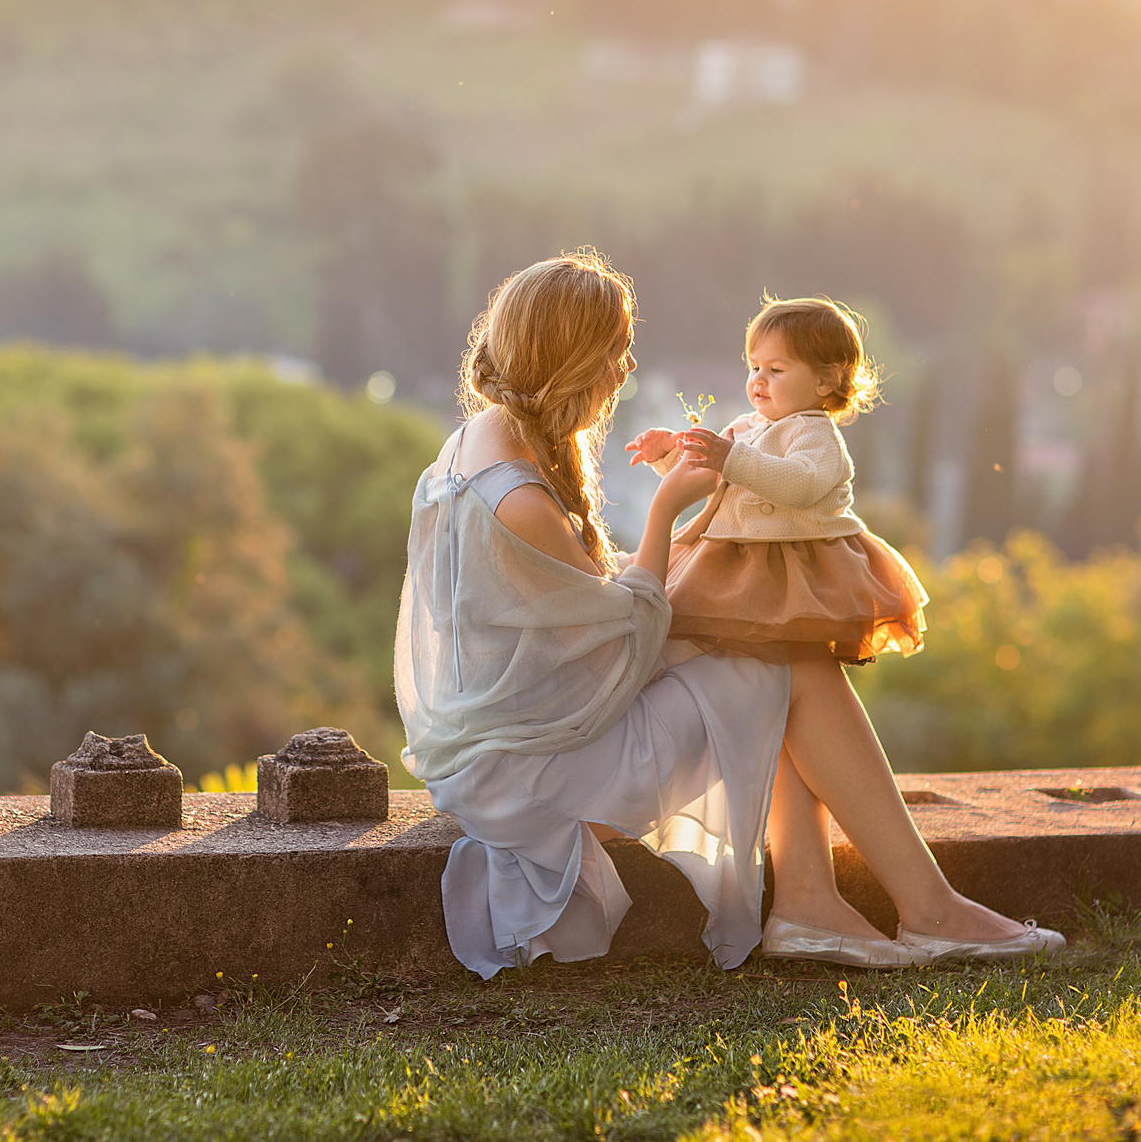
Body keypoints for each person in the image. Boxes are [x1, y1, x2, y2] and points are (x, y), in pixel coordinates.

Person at [396, 253, 1064, 977]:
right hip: (534, 768)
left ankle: (818, 903)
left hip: (528, 730)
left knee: (766, 644)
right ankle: (912, 909)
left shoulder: (478, 440)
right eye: (614, 352)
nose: (624, 369)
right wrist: (663, 512)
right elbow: (610, 657)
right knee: (786, 660)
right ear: (573, 359)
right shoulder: (518, 497)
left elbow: (567, 625)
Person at [625, 295, 926, 668]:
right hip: (736, 555)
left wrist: (731, 457)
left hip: (788, 566)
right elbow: (713, 479)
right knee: (712, 644)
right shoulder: (746, 425)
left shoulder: (816, 435)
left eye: (776, 370)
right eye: (754, 368)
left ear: (825, 381)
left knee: (780, 652)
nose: (759, 380)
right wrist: (669, 454)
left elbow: (801, 485)